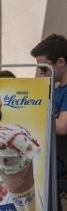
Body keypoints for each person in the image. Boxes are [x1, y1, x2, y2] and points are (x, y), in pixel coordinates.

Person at [32, 34, 67, 171]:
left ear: (60, 62)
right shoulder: (57, 89)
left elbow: (62, 127)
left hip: (57, 163)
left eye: (44, 68)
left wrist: (30, 114)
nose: (41, 73)